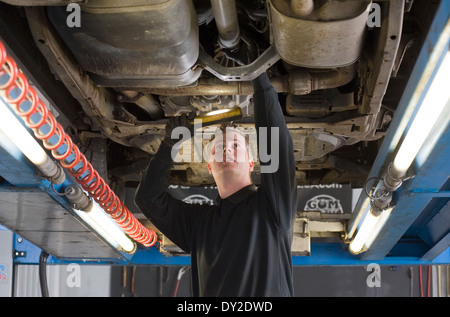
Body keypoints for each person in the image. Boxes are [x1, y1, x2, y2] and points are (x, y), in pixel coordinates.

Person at [135, 71, 297, 297]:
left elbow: (276, 146)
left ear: (251, 162)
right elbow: (148, 199)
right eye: (217, 148)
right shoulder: (198, 224)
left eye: (235, 146)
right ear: (210, 167)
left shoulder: (272, 207)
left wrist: (258, 76)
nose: (226, 150)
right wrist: (170, 144)